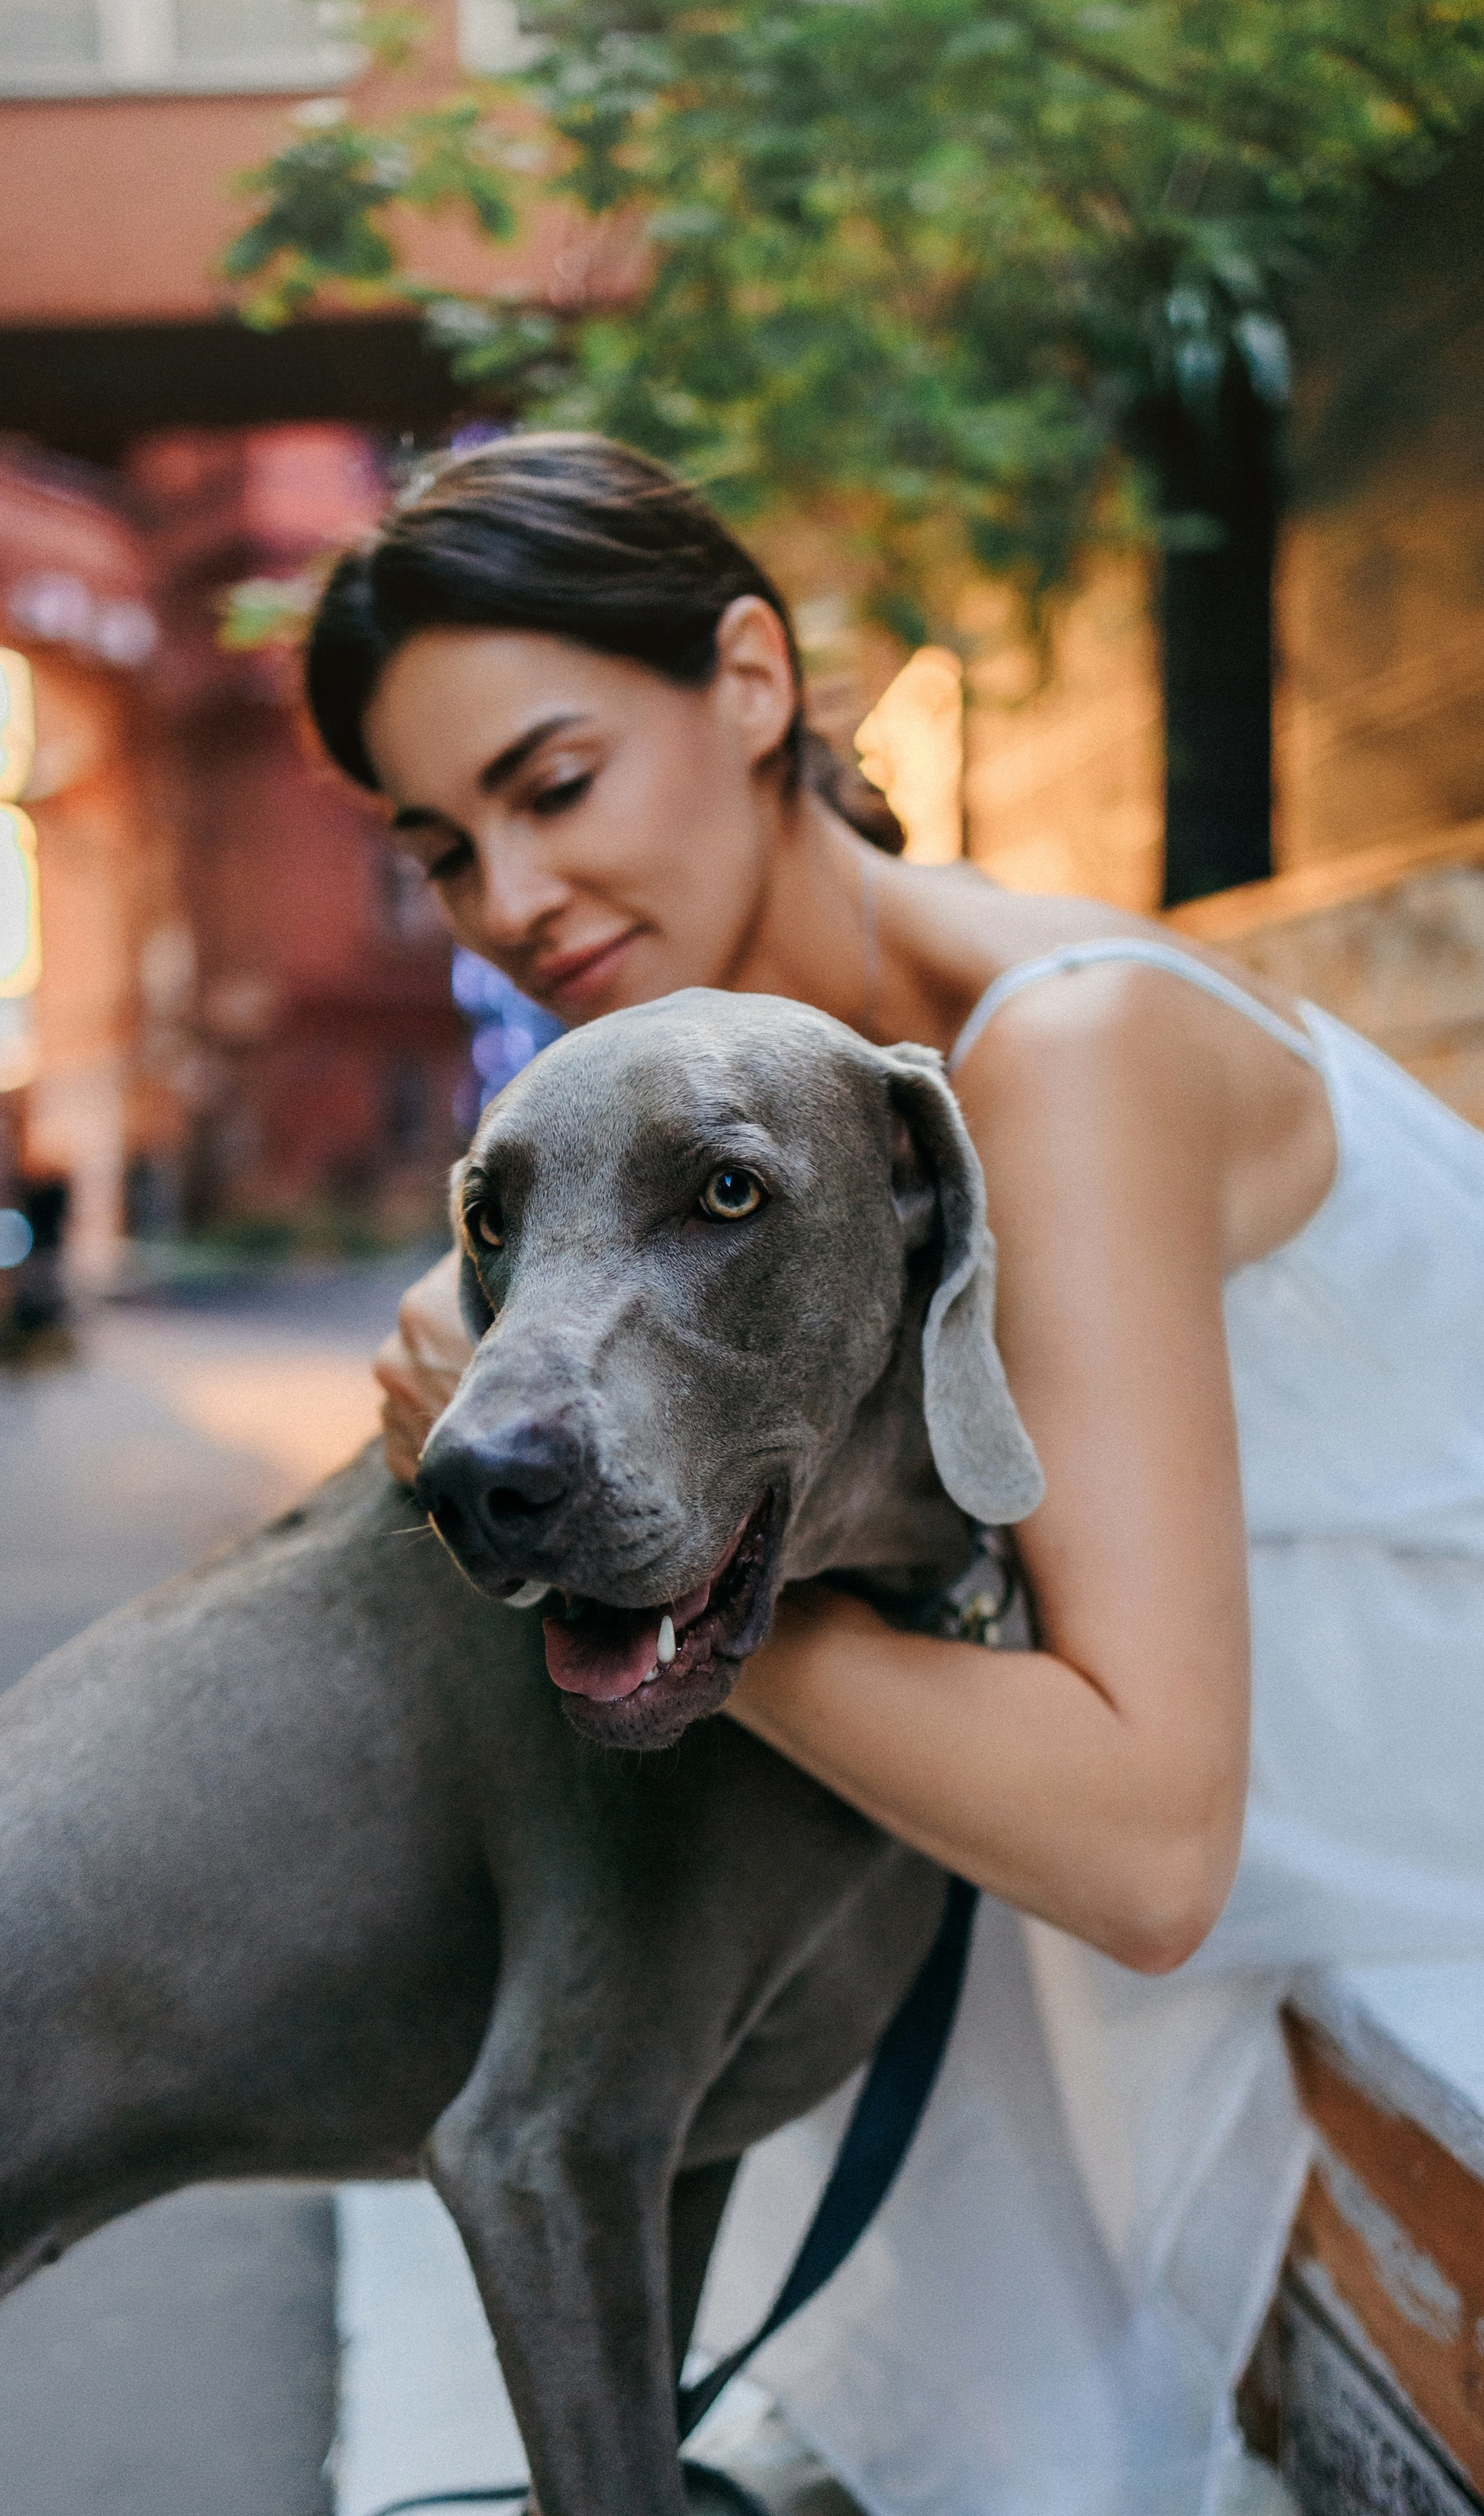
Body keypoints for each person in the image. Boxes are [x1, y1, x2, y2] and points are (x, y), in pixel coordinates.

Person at [306, 432, 1484, 2516]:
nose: (512, 901)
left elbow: (1144, 1852)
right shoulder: (776, 1125)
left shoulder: (1063, 1049)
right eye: (441, 849)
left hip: (1410, 1752)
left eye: (552, 784)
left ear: (752, 682)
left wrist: (646, 1595)